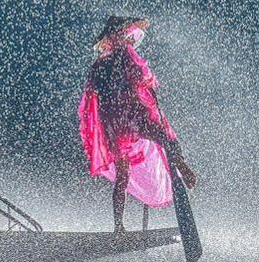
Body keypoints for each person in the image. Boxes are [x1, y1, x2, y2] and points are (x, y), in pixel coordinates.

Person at [77, 16, 196, 236]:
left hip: (114, 121)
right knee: (163, 137)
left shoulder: (100, 64)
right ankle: (184, 168)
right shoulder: (121, 55)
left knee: (123, 174)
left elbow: (94, 95)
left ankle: (118, 226)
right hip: (129, 113)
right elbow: (142, 76)